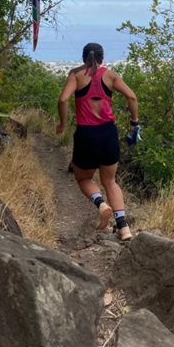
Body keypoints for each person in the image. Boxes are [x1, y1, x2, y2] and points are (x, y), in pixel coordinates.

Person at [55, 42, 139, 241]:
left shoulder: (75, 75)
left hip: (86, 135)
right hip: (108, 133)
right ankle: (124, 228)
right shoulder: (110, 76)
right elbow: (132, 97)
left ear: (84, 57)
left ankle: (101, 204)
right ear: (102, 58)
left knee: (83, 178)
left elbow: (63, 100)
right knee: (110, 180)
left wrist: (63, 123)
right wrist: (134, 122)